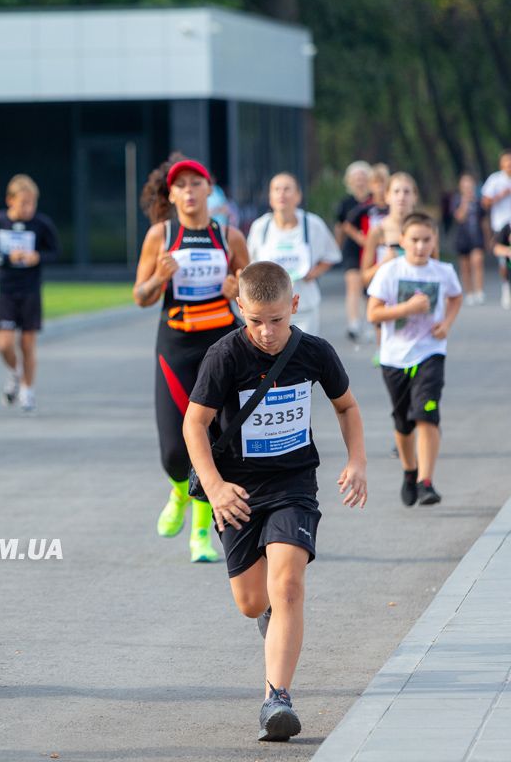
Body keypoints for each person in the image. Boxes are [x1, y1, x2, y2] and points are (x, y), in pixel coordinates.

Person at [184, 261, 367, 743]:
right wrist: (217, 488)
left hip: (293, 484)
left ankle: (277, 698)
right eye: (256, 320)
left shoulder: (315, 353)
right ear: (239, 307)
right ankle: (269, 620)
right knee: (251, 603)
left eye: (278, 320)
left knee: (287, 586)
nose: (267, 332)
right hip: (238, 492)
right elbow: (194, 424)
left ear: (295, 306)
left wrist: (357, 461)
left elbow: (346, 406)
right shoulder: (224, 356)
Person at [134, 155, 249, 563]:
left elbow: (251, 297)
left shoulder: (229, 236)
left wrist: (237, 287)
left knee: (215, 440)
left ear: (208, 189)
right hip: (176, 346)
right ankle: (179, 491)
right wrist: (159, 278)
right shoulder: (160, 235)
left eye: (195, 183)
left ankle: (201, 534)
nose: (188, 191)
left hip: (220, 346)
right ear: (171, 193)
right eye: (179, 185)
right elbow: (141, 297)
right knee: (172, 450)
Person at [367, 212, 463, 507]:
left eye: (426, 240)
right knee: (403, 423)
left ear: (434, 241)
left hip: (430, 351)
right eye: (415, 240)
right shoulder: (390, 271)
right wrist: (407, 308)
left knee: (426, 414)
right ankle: (409, 472)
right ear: (403, 241)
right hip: (395, 357)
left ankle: (426, 482)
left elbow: (456, 297)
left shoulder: (443, 271)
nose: (420, 246)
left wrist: (446, 324)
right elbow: (373, 313)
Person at [0, 174, 60, 413]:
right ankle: (15, 373)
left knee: (27, 344)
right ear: (10, 200)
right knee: (4, 344)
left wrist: (38, 257)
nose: (28, 208)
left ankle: (28, 390)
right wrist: (7, 258)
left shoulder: (41, 224)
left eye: (32, 203)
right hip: (7, 291)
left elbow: (55, 251)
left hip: (30, 292)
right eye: (24, 203)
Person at [247, 173, 342, 335]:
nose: (281, 194)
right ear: (270, 197)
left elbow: (332, 254)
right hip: (267, 311)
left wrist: (315, 272)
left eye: (287, 189)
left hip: (305, 306)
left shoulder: (312, 224)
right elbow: (249, 264)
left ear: (298, 196)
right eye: (276, 189)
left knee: (303, 356)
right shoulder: (260, 227)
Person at [344, 164, 390, 341]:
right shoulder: (364, 207)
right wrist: (362, 239)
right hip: (369, 255)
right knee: (366, 288)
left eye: (383, 184)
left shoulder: (392, 206)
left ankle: (379, 324)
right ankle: (359, 322)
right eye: (376, 184)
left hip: (388, 253)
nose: (380, 188)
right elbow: (347, 224)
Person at [334, 161, 373, 340]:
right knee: (353, 284)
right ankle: (354, 323)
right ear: (350, 180)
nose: (360, 181)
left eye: (363, 177)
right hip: (352, 247)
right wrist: (336, 247)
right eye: (356, 177)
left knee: (371, 287)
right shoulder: (345, 202)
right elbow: (340, 226)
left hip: (372, 249)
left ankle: (371, 321)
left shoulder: (375, 200)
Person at [480, 150, 511, 309]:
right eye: (506, 162)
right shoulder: (495, 180)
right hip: (500, 225)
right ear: (501, 164)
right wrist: (501, 194)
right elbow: (485, 202)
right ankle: (506, 287)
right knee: (504, 259)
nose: (509, 165)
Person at [451, 173, 487, 305]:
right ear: (460, 186)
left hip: (477, 236)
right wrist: (465, 202)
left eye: (469, 184)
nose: (467, 187)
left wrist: (488, 238)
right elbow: (459, 217)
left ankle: (479, 290)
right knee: (465, 267)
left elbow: (484, 221)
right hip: (463, 237)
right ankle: (469, 292)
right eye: (464, 184)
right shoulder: (456, 200)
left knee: (477, 261)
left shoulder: (478, 201)